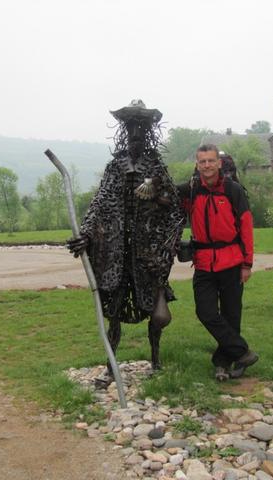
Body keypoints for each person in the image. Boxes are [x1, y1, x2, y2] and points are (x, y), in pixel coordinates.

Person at [66, 100, 185, 378]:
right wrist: (86, 233)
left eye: (140, 128)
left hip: (146, 252)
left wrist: (158, 199)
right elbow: (100, 202)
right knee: (115, 310)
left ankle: (155, 359)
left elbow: (173, 207)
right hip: (117, 251)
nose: (135, 134)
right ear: (125, 130)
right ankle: (111, 366)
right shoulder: (115, 166)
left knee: (155, 309)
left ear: (148, 132)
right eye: (131, 128)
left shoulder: (155, 166)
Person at [177, 144, 258, 381]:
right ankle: (243, 352)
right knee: (206, 312)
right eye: (202, 162)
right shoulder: (192, 191)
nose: (207, 166)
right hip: (203, 264)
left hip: (232, 262)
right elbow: (167, 196)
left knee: (232, 315)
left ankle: (223, 363)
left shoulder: (233, 190)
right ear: (197, 164)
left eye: (211, 161)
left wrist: (247, 264)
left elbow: (246, 226)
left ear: (219, 163)